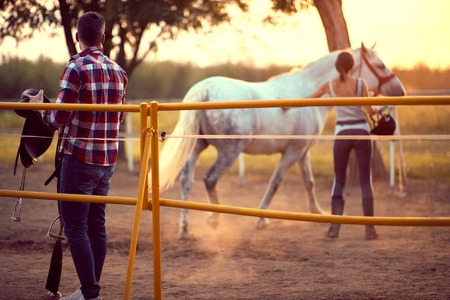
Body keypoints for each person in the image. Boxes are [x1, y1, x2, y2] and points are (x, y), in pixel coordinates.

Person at [26, 11, 128, 299]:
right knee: (97, 225)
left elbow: (58, 119)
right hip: (106, 161)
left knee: (75, 227)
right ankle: (89, 291)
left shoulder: (75, 67)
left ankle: (90, 293)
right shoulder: (120, 72)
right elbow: (119, 119)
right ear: (104, 37)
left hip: (78, 159)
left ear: (76, 37)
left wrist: (38, 108)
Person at [292, 51, 379, 240]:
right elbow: (371, 111)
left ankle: (334, 229)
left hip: (342, 134)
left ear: (336, 66)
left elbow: (308, 100)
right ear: (352, 67)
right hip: (362, 133)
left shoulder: (329, 86)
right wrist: (379, 106)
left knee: (339, 181)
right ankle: (369, 229)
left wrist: (288, 105)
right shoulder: (361, 84)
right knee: (365, 181)